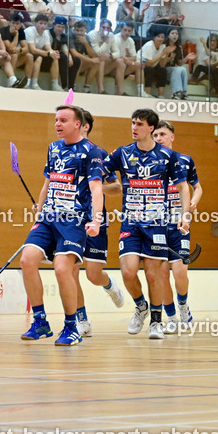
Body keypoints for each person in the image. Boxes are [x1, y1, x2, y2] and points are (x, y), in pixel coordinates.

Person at [18, 104, 103, 346]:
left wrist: (96, 221)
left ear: (78, 124)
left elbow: (97, 190)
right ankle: (41, 321)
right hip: (48, 217)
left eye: (63, 120)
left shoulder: (92, 152)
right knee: (27, 260)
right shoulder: (53, 148)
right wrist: (39, 207)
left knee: (62, 268)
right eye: (56, 120)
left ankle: (71, 325)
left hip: (74, 220)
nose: (57, 124)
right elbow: (48, 182)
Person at [103, 108, 189, 340]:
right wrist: (99, 188)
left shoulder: (168, 156)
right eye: (132, 123)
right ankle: (141, 306)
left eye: (139, 124)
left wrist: (185, 215)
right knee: (128, 271)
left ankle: (156, 322)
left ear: (151, 128)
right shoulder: (122, 153)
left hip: (157, 224)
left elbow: (183, 186)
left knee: (154, 274)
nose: (134, 127)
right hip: (130, 223)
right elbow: (98, 171)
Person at [72, 109, 124, 338]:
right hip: (70, 221)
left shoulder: (99, 154)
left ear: (85, 127)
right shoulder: (61, 151)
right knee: (70, 272)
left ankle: (109, 284)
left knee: (93, 274)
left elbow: (117, 187)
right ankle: (81, 319)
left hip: (95, 220)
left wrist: (94, 188)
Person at [152, 120, 201, 332]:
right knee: (161, 274)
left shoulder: (184, 160)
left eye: (162, 134)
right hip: (156, 226)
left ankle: (183, 306)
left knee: (180, 271)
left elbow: (197, 188)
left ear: (172, 136)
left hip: (179, 224)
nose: (158, 139)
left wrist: (193, 203)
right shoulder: (149, 162)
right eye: (155, 135)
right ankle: (170, 317)